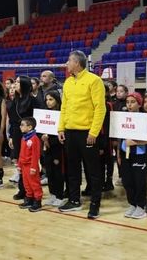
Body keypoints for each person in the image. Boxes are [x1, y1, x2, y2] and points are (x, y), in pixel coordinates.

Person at [58, 50, 106, 220]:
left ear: (77, 63)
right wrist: (61, 128)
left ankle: (95, 204)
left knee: (93, 170)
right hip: (70, 132)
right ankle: (74, 199)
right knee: (72, 168)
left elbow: (100, 108)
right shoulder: (68, 82)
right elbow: (64, 107)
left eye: (69, 60)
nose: (66, 63)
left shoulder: (94, 80)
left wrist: (94, 132)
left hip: (87, 132)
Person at [119, 92, 147, 220]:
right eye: (127, 102)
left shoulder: (145, 119)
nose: (129, 104)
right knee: (127, 181)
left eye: (132, 102)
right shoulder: (123, 118)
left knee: (139, 181)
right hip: (125, 154)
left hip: (140, 154)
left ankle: (141, 206)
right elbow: (119, 137)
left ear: (139, 104)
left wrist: (134, 142)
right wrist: (118, 153)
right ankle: (132, 204)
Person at [8, 77, 38, 199]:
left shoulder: (33, 100)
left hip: (29, 136)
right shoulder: (15, 99)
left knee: (28, 164)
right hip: (16, 133)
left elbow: (37, 119)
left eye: (18, 82)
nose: (15, 84)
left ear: (25, 84)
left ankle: (31, 192)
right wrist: (11, 136)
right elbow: (13, 120)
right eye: (15, 82)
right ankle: (23, 189)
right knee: (19, 163)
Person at [40, 90, 67, 207]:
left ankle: (60, 196)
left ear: (57, 100)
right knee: (49, 172)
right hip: (47, 148)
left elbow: (62, 133)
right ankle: (53, 195)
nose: (48, 102)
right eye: (46, 99)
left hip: (58, 148)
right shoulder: (45, 113)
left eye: (51, 99)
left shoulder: (62, 114)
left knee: (58, 172)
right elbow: (40, 129)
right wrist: (43, 137)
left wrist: (50, 139)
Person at [18, 117, 42, 212]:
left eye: (23, 125)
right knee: (26, 183)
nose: (20, 127)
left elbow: (35, 155)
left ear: (30, 127)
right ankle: (29, 198)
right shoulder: (24, 138)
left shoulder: (34, 139)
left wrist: (33, 167)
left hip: (31, 166)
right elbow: (21, 152)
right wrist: (19, 165)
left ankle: (37, 201)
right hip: (23, 165)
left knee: (34, 184)